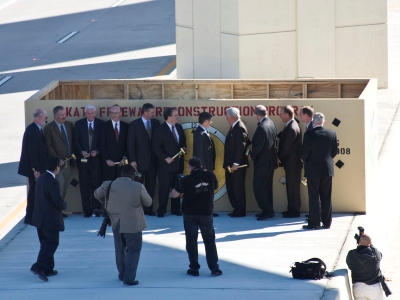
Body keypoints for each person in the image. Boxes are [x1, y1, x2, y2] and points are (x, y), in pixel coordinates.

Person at [94, 165, 152, 286]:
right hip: (133, 223)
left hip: (116, 222)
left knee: (120, 250)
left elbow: (96, 194)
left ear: (121, 173)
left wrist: (108, 203)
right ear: (132, 175)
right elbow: (148, 202)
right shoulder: (138, 186)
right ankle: (129, 278)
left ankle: (122, 274)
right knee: (134, 250)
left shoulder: (108, 184)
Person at [171, 157, 222, 277]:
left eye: (188, 167)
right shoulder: (210, 175)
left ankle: (194, 269)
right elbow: (214, 187)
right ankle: (214, 268)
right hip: (206, 212)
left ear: (191, 167)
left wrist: (179, 183)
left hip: (190, 214)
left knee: (191, 242)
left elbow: (174, 195)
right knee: (209, 241)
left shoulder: (186, 179)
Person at [30, 156, 66, 282]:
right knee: (51, 242)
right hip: (49, 218)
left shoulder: (41, 178)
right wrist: (64, 205)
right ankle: (38, 266)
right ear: (56, 167)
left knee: (45, 242)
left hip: (39, 218)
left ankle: (48, 268)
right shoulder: (52, 181)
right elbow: (57, 200)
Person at [301, 112, 337, 229]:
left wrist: (303, 159)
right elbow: (334, 152)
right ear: (324, 122)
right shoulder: (332, 133)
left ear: (312, 122)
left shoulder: (309, 134)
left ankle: (315, 222)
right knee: (326, 196)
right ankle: (327, 222)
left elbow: (305, 154)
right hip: (327, 169)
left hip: (313, 169)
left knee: (314, 196)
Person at [152, 107, 187, 217]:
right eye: (175, 115)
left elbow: (183, 142)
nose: (178, 117)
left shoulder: (179, 127)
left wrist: (184, 148)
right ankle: (161, 210)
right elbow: (156, 147)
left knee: (176, 187)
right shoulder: (160, 129)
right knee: (164, 188)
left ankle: (176, 210)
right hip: (165, 166)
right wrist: (165, 158)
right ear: (169, 117)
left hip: (178, 165)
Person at [127, 103, 160, 216]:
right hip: (139, 162)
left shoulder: (156, 123)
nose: (153, 114)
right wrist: (132, 160)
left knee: (151, 187)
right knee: (137, 187)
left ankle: (148, 209)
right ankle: (136, 209)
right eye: (151, 112)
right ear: (145, 112)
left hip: (153, 161)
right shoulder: (134, 125)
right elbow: (130, 144)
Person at [74, 104, 105, 218]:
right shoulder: (79, 124)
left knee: (97, 185)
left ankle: (96, 209)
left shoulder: (101, 124)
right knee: (84, 186)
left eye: (92, 113)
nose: (91, 115)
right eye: (88, 113)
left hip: (96, 161)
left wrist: (97, 151)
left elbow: (103, 142)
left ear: (95, 113)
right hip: (83, 160)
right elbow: (76, 141)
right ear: (85, 114)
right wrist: (82, 151)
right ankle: (87, 210)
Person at [18, 108, 48, 225]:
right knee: (33, 193)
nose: (46, 119)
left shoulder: (37, 129)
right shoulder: (33, 130)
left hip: (38, 168)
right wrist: (36, 170)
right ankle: (30, 216)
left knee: (36, 192)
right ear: (40, 117)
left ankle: (34, 215)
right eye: (45, 117)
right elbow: (32, 152)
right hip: (36, 170)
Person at [43, 106, 74, 218]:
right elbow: (49, 146)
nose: (64, 116)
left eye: (64, 114)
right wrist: (57, 160)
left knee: (65, 187)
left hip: (68, 163)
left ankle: (60, 210)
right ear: (55, 116)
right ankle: (56, 212)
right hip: (57, 165)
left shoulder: (69, 125)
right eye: (61, 115)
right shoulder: (49, 128)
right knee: (59, 187)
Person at [249, 105, 278, 220]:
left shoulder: (262, 127)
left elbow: (259, 146)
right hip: (270, 161)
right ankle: (268, 210)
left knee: (259, 187)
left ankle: (267, 211)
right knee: (267, 187)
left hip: (263, 162)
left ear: (256, 114)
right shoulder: (271, 123)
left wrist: (252, 155)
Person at [223, 107, 251, 218]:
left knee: (237, 188)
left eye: (227, 116)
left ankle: (240, 210)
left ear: (232, 117)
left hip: (237, 166)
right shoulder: (234, 127)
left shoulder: (239, 128)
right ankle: (236, 209)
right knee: (231, 187)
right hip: (231, 165)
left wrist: (236, 163)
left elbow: (241, 147)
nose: (226, 118)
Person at [277, 105, 302, 218]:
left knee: (293, 188)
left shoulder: (292, 127)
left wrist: (278, 156)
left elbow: (286, 147)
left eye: (281, 113)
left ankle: (294, 211)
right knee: (290, 187)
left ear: (287, 115)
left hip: (293, 163)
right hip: (291, 163)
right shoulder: (291, 125)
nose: (280, 115)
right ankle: (291, 208)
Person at [346, 233, 385, 300]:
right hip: (373, 287)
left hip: (358, 287)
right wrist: (370, 244)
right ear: (370, 243)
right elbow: (380, 256)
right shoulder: (375, 253)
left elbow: (350, 266)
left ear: (359, 241)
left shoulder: (351, 254)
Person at [100, 104, 129, 181]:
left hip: (122, 163)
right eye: (112, 113)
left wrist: (125, 157)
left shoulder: (126, 126)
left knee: (121, 185)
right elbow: (102, 145)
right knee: (109, 185)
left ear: (120, 113)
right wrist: (107, 159)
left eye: (116, 113)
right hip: (109, 164)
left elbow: (128, 144)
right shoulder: (104, 126)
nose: (114, 114)